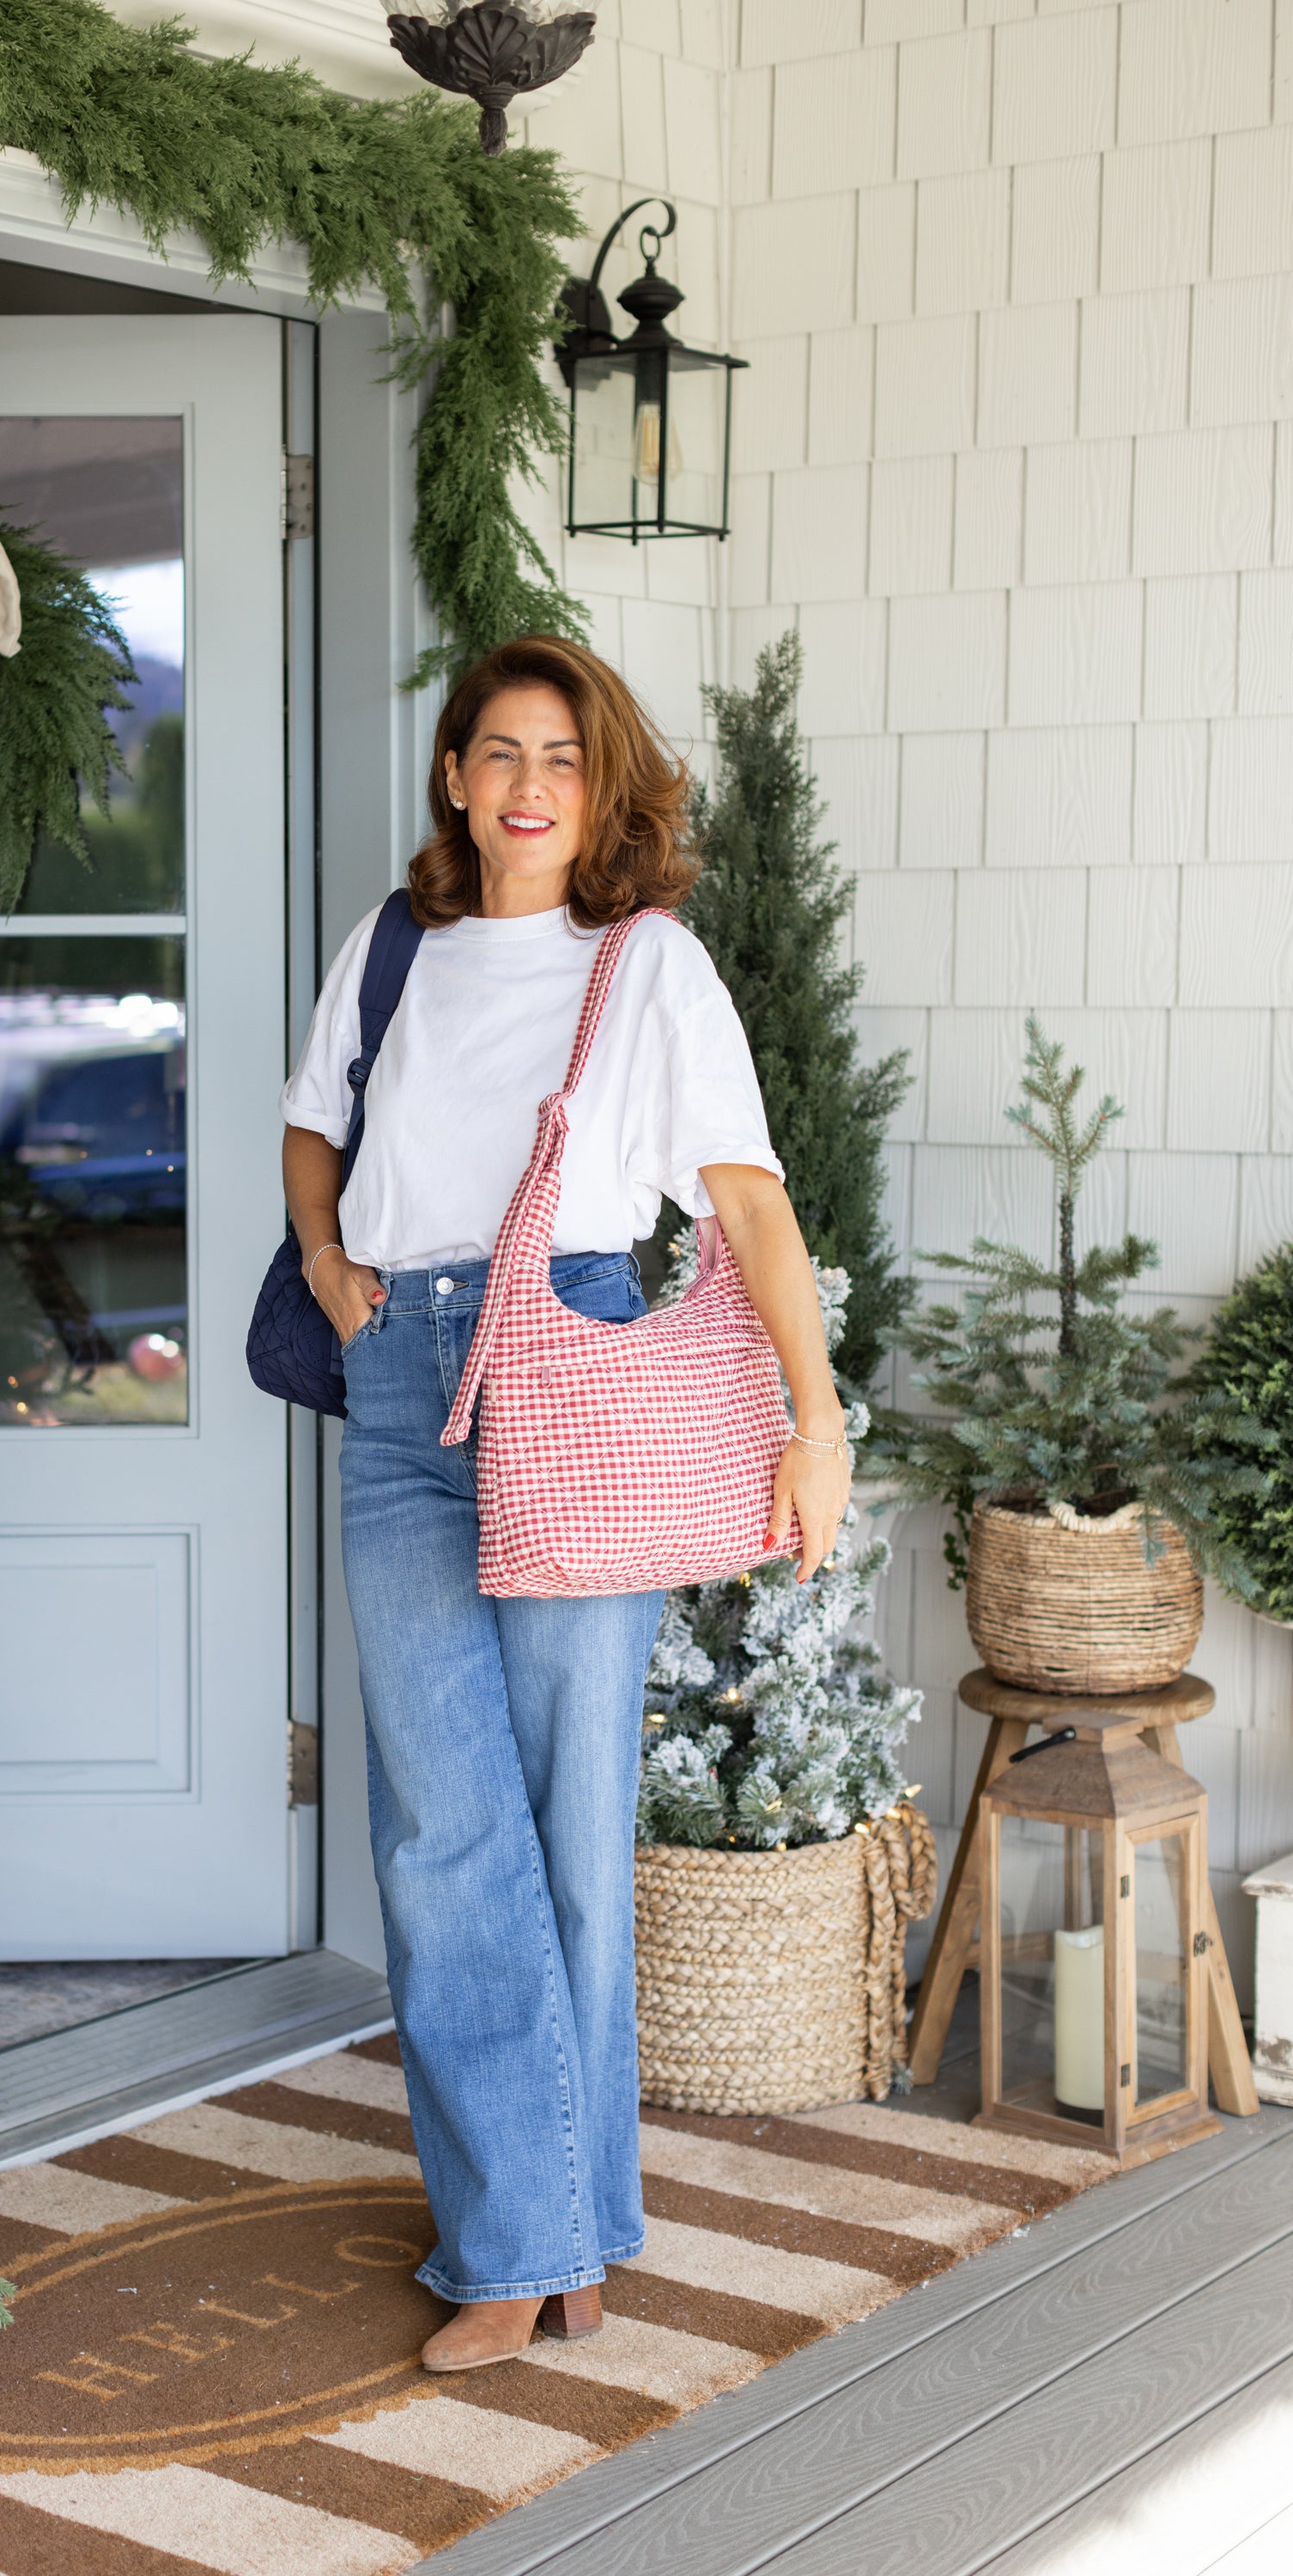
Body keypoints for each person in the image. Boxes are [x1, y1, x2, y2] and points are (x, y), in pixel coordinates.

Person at [281, 635, 851, 2373]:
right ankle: (535, 2239)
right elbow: (313, 1121)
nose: (528, 785)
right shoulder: (394, 945)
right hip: (400, 1386)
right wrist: (324, 1258)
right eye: (499, 752)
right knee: (436, 1832)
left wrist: (813, 1422)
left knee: (564, 1821)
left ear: (598, 792)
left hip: (572, 1369)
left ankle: (554, 2233)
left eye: (563, 758)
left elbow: (746, 1207)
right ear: (455, 777)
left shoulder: (646, 964)